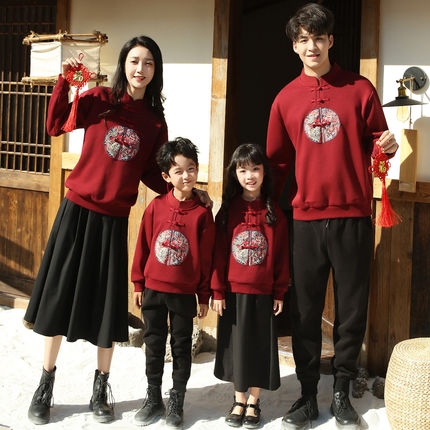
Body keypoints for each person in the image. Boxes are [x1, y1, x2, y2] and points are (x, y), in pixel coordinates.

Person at [23, 35, 209, 425]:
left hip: (113, 220)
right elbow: (55, 125)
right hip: (76, 212)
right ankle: (45, 383)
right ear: (124, 63)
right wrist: (65, 82)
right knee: (58, 297)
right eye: (135, 61)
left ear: (156, 71)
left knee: (106, 305)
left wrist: (189, 192)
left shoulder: (154, 122)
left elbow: (153, 174)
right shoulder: (99, 99)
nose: (141, 69)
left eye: (149, 63)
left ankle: (100, 387)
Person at [266, 4, 399, 430]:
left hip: (352, 214)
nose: (312, 46)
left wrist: (388, 147)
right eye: (303, 39)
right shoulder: (284, 99)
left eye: (318, 38)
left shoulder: (359, 89)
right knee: (305, 311)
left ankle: (341, 390)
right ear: (294, 46)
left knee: (351, 309)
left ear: (330, 41)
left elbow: (379, 145)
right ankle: (307, 394)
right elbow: (276, 164)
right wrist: (264, 209)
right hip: (304, 218)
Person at [131, 137, 215, 428]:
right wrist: (138, 283)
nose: (186, 176)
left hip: (183, 292)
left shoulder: (203, 213)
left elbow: (206, 256)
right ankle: (153, 396)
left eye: (191, 169)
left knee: (181, 346)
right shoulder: (155, 207)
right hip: (153, 288)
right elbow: (143, 245)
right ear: (166, 176)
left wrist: (204, 295)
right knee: (153, 343)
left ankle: (177, 399)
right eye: (178, 171)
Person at [211, 143, 290, 429]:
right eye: (243, 170)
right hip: (233, 291)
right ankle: (239, 399)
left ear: (264, 172)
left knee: (258, 346)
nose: (250, 176)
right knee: (237, 348)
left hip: (263, 292)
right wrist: (217, 290)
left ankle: (254, 401)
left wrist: (279, 290)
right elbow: (219, 254)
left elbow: (281, 255)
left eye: (255, 169)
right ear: (235, 174)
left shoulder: (274, 212)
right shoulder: (228, 211)